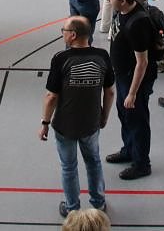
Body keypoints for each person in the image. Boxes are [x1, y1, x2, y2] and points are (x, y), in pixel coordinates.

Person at [41, 15, 114, 219]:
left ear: (72, 35)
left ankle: (72, 207)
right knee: (94, 162)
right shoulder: (102, 56)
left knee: (68, 166)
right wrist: (104, 116)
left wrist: (45, 122)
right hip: (91, 123)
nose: (63, 34)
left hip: (65, 125)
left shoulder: (61, 59)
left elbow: (51, 96)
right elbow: (109, 91)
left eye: (64, 31)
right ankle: (98, 204)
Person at [104, 0, 156, 180]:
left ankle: (142, 164)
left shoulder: (137, 24)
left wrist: (133, 93)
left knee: (137, 120)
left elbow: (142, 62)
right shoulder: (122, 11)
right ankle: (129, 150)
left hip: (134, 80)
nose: (108, 1)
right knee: (124, 115)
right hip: (122, 76)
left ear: (123, 0)